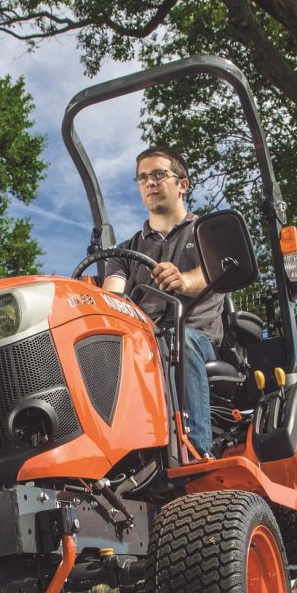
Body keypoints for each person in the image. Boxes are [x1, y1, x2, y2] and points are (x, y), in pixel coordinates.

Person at [101, 146, 218, 457]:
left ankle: (196, 451)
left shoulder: (207, 233)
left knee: (177, 341)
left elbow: (212, 275)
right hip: (143, 338)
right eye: (142, 178)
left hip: (196, 336)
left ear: (182, 184)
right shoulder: (125, 252)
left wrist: (183, 280)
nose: (149, 183)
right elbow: (113, 293)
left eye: (157, 175)